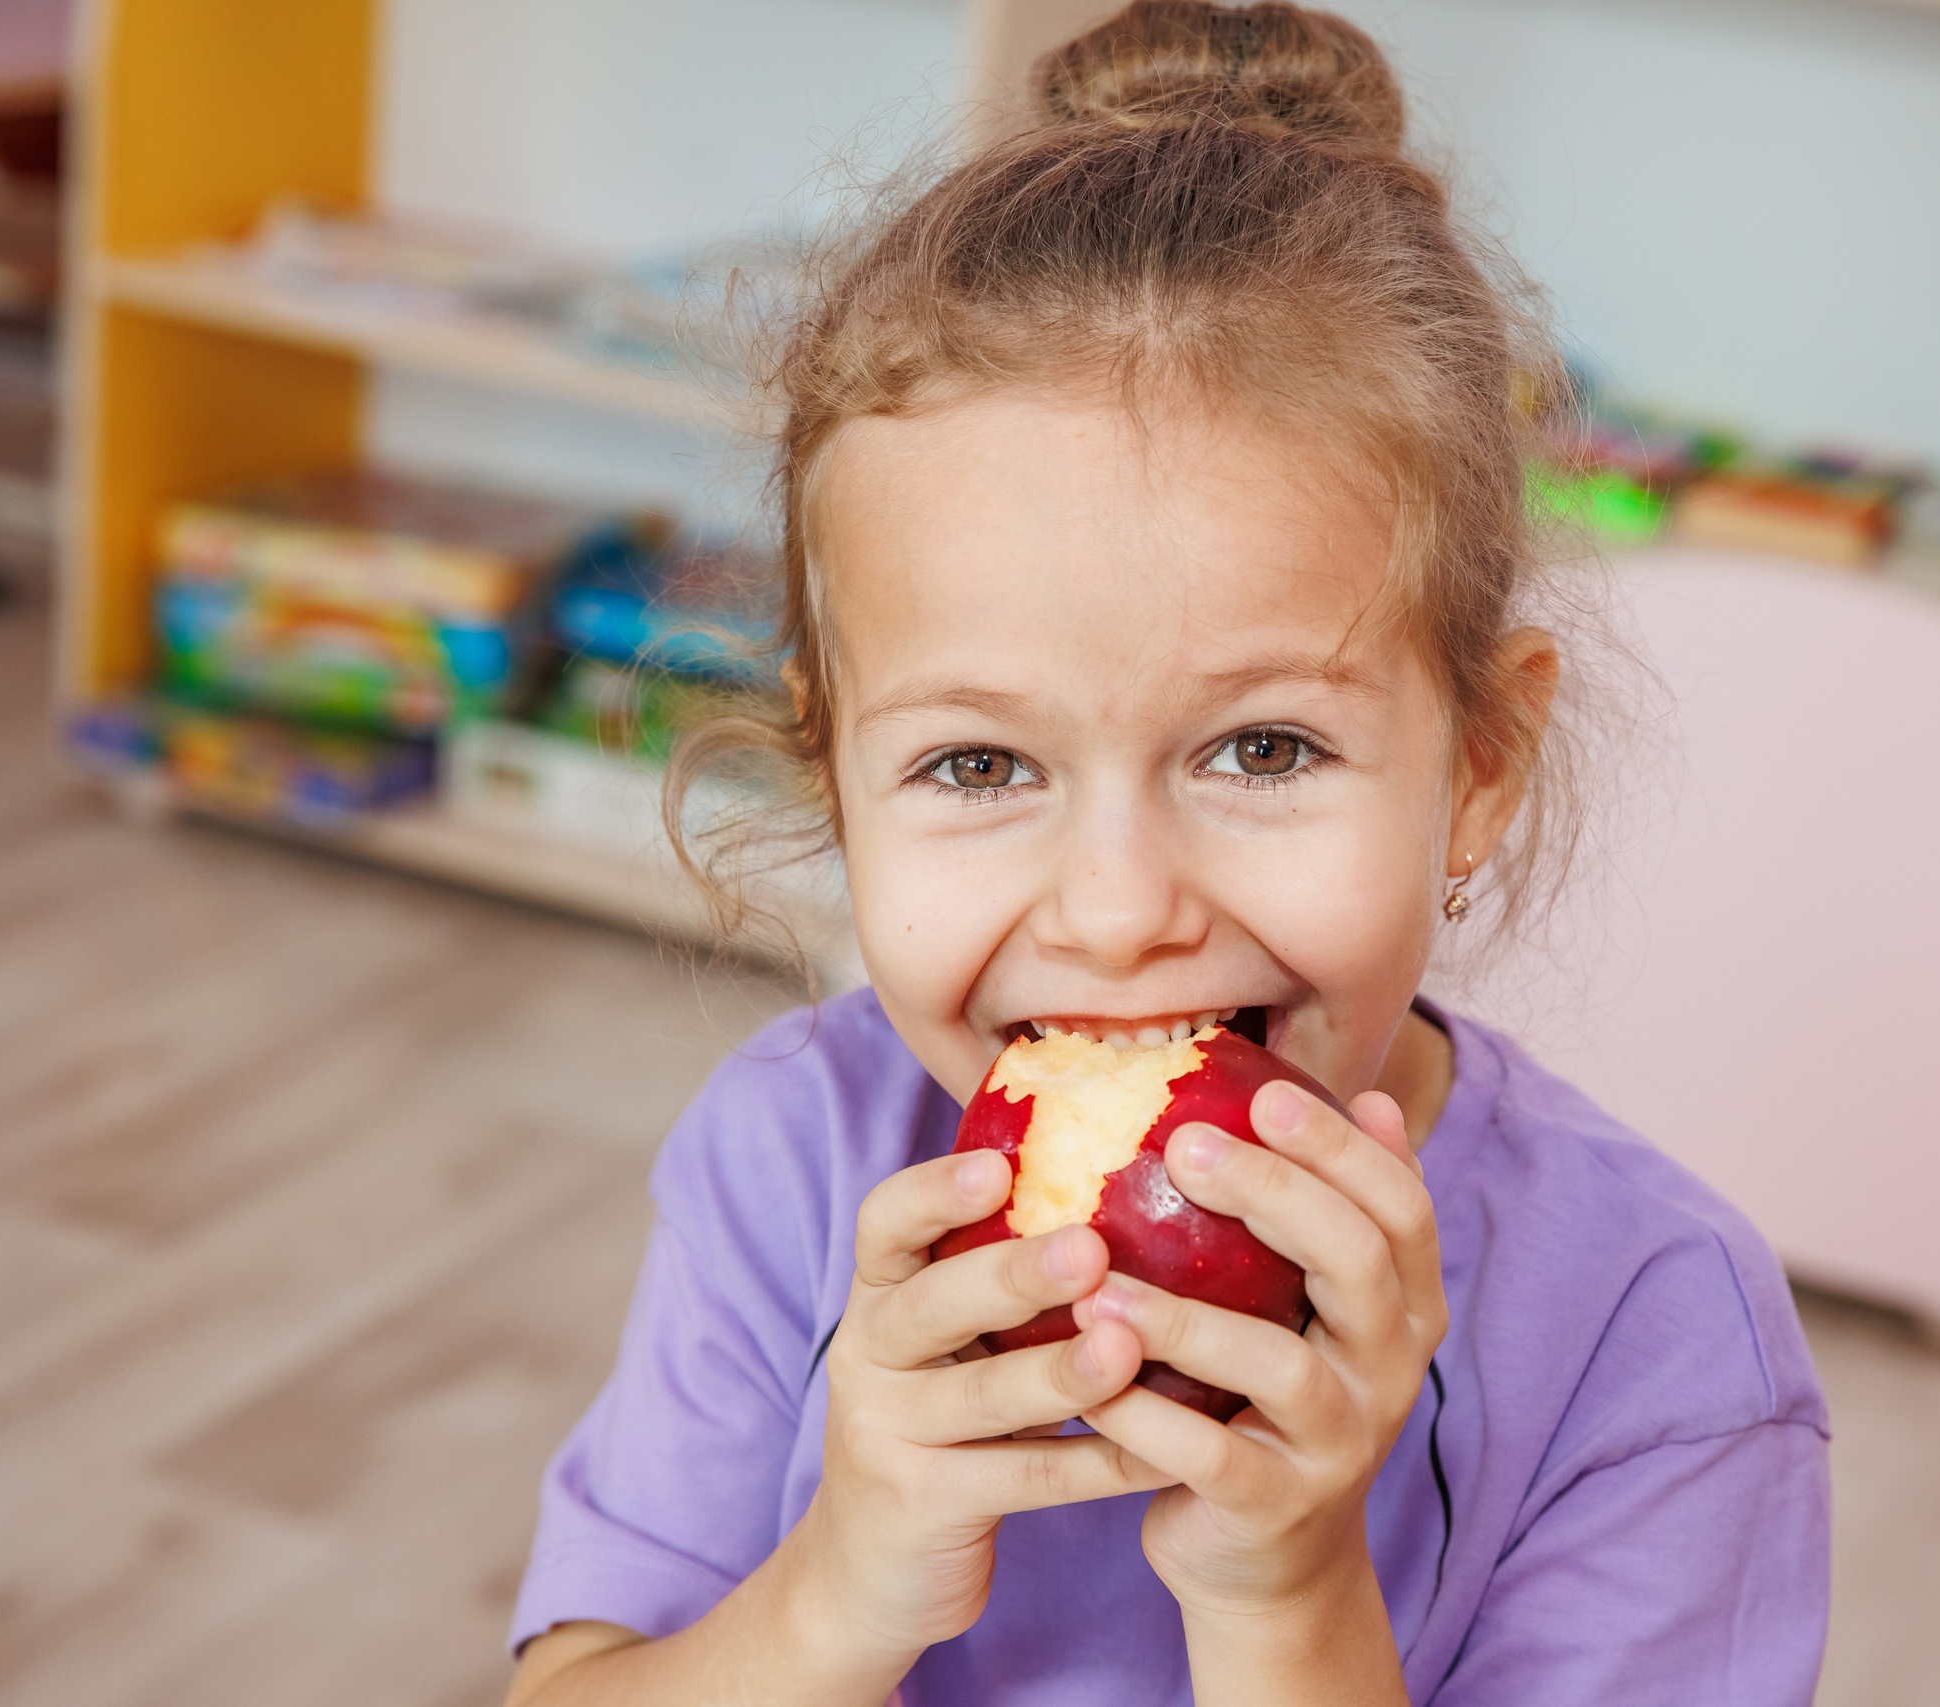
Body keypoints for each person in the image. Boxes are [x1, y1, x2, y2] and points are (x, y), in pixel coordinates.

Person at [503, 4, 1828, 1702]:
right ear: (834, 777)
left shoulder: (1656, 1338)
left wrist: (1287, 1597)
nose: (1120, 915)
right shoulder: (793, 1161)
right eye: (980, 763)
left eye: (1262, 749)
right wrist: (838, 1589)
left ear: (1480, 764)